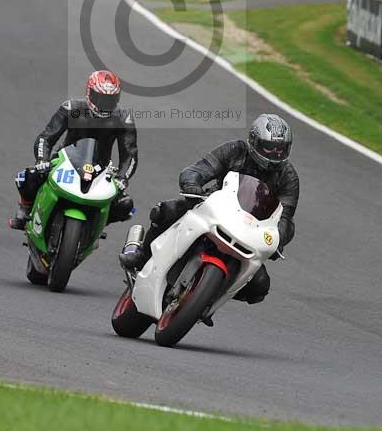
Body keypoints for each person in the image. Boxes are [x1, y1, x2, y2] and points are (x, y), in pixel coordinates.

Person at [120, 114, 299, 307]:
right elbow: (196, 170)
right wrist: (193, 186)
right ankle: (142, 256)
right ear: (254, 141)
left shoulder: (288, 177)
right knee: (166, 210)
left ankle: (208, 297)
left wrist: (277, 239)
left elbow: (285, 217)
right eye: (269, 147)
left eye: (281, 149)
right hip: (214, 209)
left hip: (251, 230)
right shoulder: (235, 150)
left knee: (259, 286)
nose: (275, 154)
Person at [9, 70, 137, 230]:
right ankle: (25, 209)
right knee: (28, 177)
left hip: (101, 168)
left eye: (109, 100)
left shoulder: (123, 118)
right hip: (65, 160)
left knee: (126, 205)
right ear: (89, 93)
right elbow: (46, 138)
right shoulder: (71, 108)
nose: (104, 104)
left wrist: (122, 177)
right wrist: (42, 160)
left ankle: (97, 226)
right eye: (100, 98)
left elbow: (129, 154)